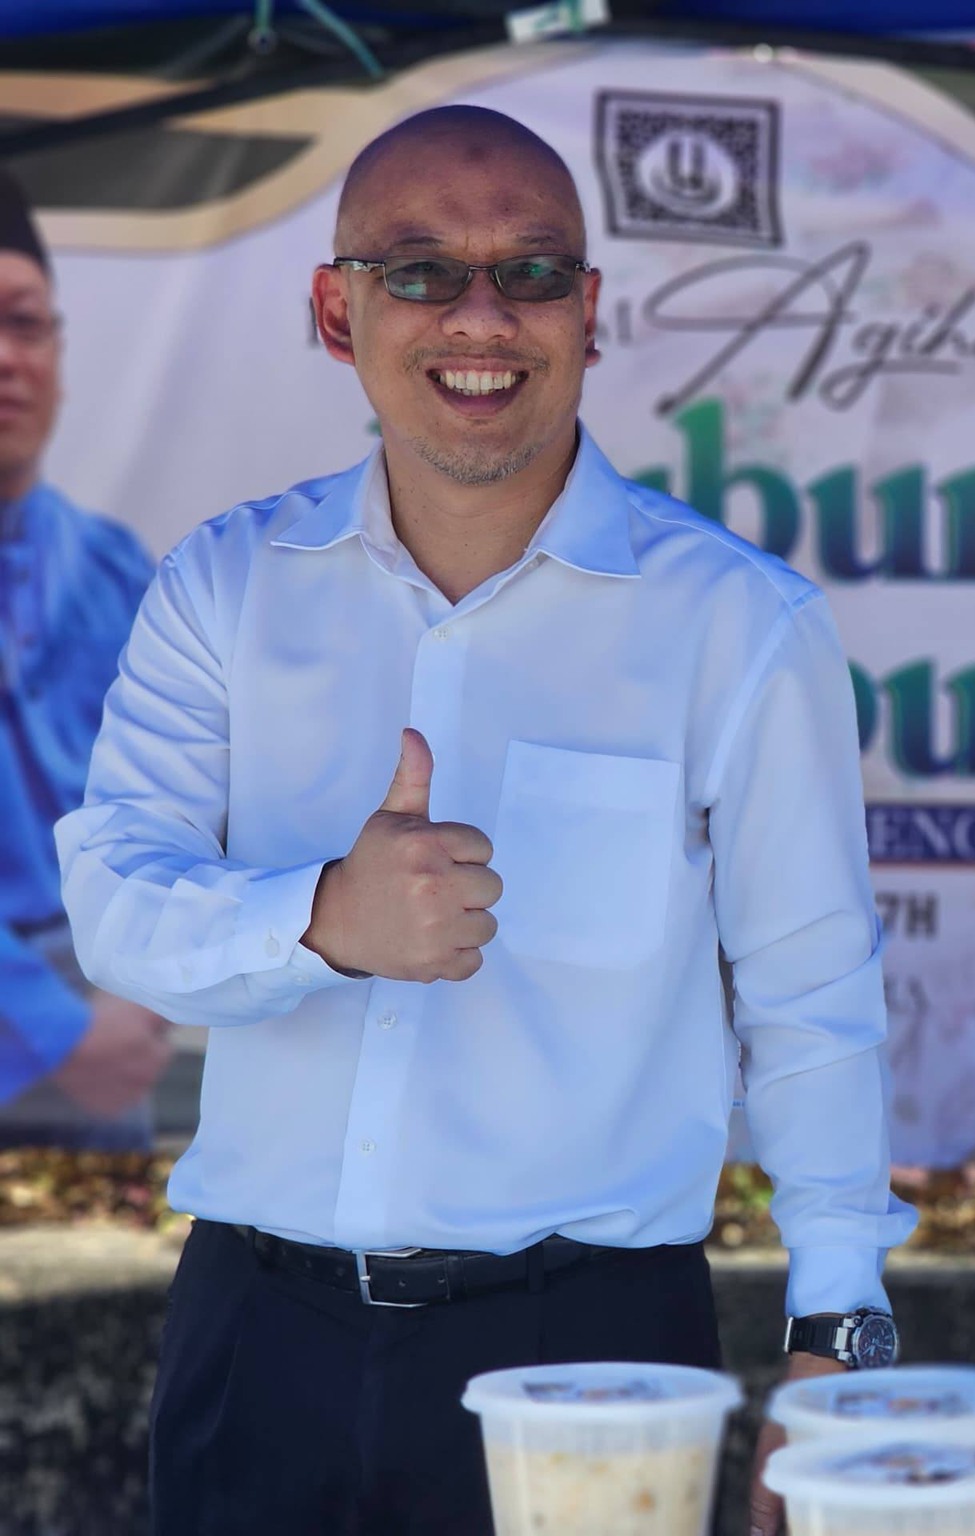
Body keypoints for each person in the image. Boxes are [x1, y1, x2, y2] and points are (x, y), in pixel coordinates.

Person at [58, 107, 913, 1536]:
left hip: (592, 1353)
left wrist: (842, 1334)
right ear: (337, 312)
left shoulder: (739, 628)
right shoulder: (223, 586)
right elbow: (117, 906)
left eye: (528, 273)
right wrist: (325, 920)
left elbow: (814, 1000)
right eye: (417, 271)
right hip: (257, 1338)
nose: (479, 317)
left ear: (590, 315)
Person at [0, 166, 171, 1149]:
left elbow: (178, 797)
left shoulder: (113, 569)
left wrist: (140, 1000)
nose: (5, 359)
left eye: (26, 323)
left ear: (61, 351)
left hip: (108, 1039)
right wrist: (60, 1030)